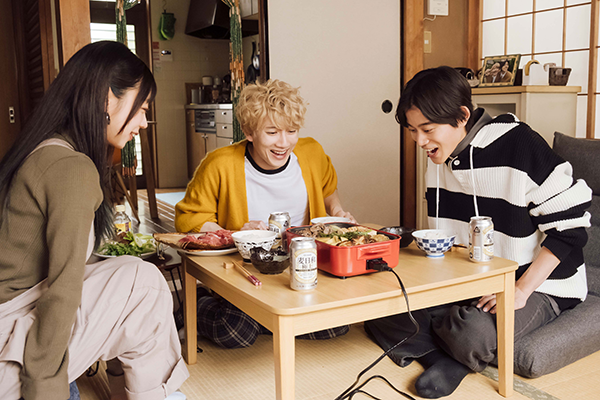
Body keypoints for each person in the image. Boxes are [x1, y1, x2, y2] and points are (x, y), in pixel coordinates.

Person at [364, 66, 591, 399]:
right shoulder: (439, 156)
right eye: (413, 130)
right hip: (472, 281)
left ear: (462, 116)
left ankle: (452, 350)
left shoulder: (520, 145)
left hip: (539, 284)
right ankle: (442, 358)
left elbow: (572, 229)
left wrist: (520, 290)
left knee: (473, 333)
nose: (419, 141)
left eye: (427, 129)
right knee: (379, 305)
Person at [0, 41, 189, 400]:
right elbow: (62, 288)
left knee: (124, 271)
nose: (144, 123)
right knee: (143, 282)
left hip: (12, 323)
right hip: (8, 349)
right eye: (142, 108)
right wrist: (45, 389)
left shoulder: (44, 148)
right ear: (107, 99)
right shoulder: (71, 167)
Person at [175, 79, 354, 348]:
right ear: (249, 131)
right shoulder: (220, 164)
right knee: (234, 333)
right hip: (246, 271)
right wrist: (234, 234)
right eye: (272, 133)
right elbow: (190, 218)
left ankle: (267, 319)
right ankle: (195, 303)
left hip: (299, 268)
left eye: (291, 131)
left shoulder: (311, 152)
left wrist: (338, 211)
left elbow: (328, 189)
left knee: (337, 325)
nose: (284, 143)